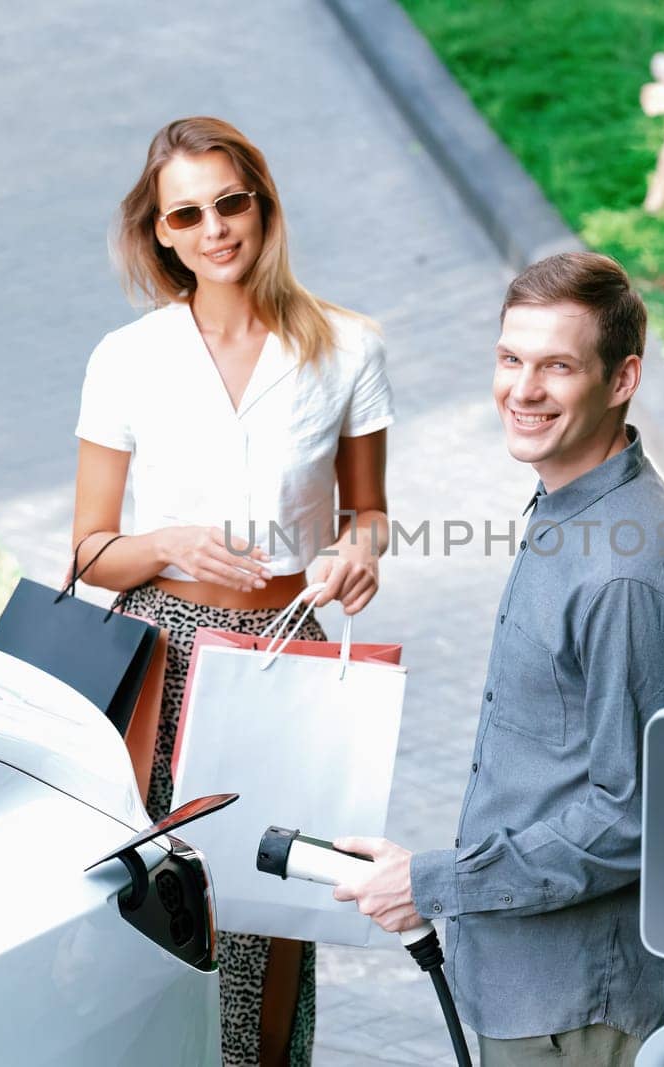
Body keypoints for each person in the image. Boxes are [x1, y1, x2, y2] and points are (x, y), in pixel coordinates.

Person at [334, 252, 664, 1065]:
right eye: (511, 358)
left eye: (557, 365)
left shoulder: (626, 574)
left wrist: (435, 881)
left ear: (622, 380)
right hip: (525, 981)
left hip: (575, 1004)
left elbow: (638, 817)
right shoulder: (571, 506)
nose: (523, 388)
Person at [69, 116, 393, 1067]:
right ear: (161, 233)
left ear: (263, 202)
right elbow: (87, 553)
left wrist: (356, 555)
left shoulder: (348, 347)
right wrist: (164, 542)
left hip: (289, 647)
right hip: (166, 656)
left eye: (230, 202)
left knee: (276, 901)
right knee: (169, 896)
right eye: (188, 214)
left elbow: (369, 513)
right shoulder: (124, 358)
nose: (215, 228)